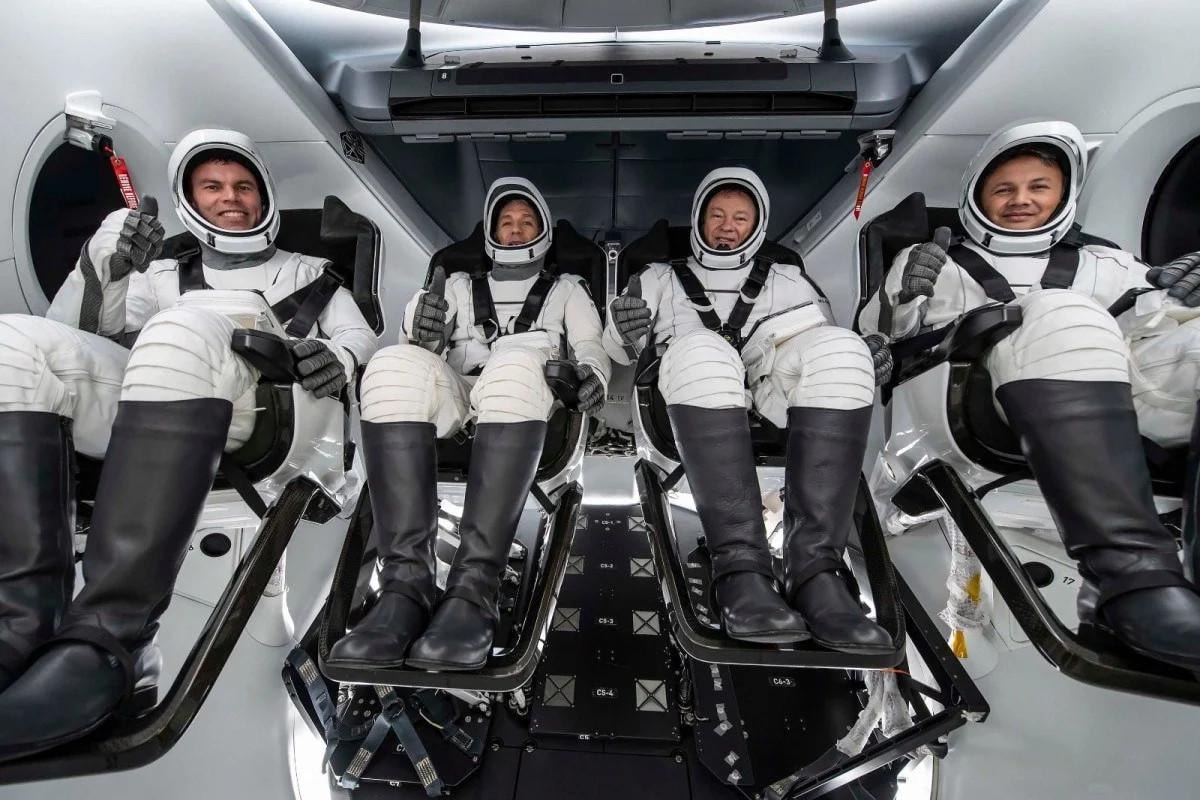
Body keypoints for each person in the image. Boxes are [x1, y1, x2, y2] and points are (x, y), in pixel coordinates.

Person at [0, 129, 377, 758]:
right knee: (14, 346)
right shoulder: (157, 275)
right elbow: (74, 336)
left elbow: (359, 341)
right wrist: (104, 266)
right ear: (188, 198)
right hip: (165, 394)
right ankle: (19, 629)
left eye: (243, 186)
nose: (231, 197)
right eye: (213, 186)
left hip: (276, 410)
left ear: (264, 196)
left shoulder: (311, 273)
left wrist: (338, 356)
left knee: (178, 328)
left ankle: (112, 644)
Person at [859, 119, 1200, 671]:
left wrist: (1175, 296)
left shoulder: (1110, 263)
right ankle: (1126, 582)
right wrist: (902, 304)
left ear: (1063, 193)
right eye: (1004, 189)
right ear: (978, 195)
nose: (1021, 199)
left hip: (1119, 400)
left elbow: (1154, 332)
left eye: (1038, 187)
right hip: (969, 408)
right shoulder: (937, 262)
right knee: (1060, 312)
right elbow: (880, 338)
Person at [603, 167, 893, 655]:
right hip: (691, 390)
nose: (727, 227)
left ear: (757, 225)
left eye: (740, 217)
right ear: (699, 219)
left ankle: (816, 571)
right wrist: (623, 326)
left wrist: (865, 355)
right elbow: (618, 348)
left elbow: (822, 341)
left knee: (843, 350)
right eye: (717, 215)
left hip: (772, 390)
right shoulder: (657, 278)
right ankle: (740, 570)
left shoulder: (788, 279)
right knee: (704, 349)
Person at [326, 178, 608, 672]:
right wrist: (421, 324)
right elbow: (420, 348)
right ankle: (404, 591)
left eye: (526, 222)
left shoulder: (568, 289)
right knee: (391, 365)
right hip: (460, 392)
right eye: (506, 221)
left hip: (527, 393)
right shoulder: (456, 284)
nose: (515, 229)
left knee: (516, 363)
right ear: (490, 231)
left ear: (542, 231)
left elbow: (589, 348)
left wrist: (593, 376)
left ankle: (474, 593)